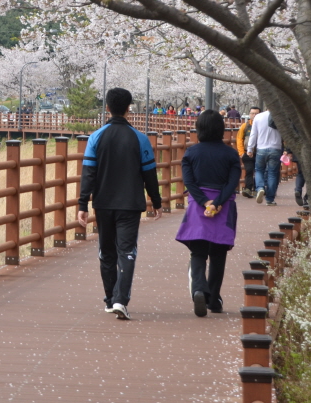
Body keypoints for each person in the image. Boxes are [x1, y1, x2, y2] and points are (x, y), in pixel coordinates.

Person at [76, 87, 163, 321]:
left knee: (106, 251)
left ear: (107, 107)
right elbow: (149, 174)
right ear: (128, 108)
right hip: (130, 203)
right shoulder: (140, 139)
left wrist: (83, 203)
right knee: (127, 251)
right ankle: (120, 300)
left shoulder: (96, 137)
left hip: (103, 203)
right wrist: (156, 201)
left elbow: (89, 173)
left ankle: (109, 299)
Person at [175, 110, 241, 316]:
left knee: (198, 252)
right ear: (221, 129)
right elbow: (232, 183)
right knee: (218, 254)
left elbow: (189, 182)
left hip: (198, 206)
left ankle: (198, 289)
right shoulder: (231, 154)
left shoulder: (191, 153)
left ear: (199, 129)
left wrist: (205, 202)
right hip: (224, 207)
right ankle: (214, 299)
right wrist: (218, 202)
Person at [247, 107, 283, 205]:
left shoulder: (258, 117)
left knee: (259, 170)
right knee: (272, 173)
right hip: (276, 148)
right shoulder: (280, 116)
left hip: (261, 148)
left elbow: (253, 134)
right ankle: (270, 199)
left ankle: (260, 187)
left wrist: (250, 148)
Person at [236, 107, 261, 198]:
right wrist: (241, 152)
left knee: (259, 171)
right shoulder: (245, 126)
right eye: (252, 113)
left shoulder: (262, 125)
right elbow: (239, 139)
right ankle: (248, 188)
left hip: (260, 152)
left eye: (256, 113)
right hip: (247, 152)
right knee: (249, 170)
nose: (254, 115)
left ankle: (257, 188)